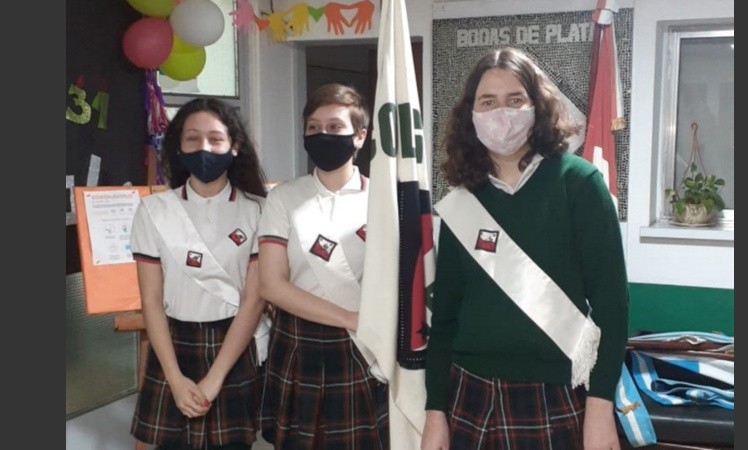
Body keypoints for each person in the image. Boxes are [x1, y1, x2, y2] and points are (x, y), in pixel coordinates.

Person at [421, 47, 629, 450]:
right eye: (488, 102)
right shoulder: (464, 199)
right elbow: (444, 317)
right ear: (470, 115)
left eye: (515, 99)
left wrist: (601, 408)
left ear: (538, 106)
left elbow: (612, 309)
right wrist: (435, 412)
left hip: (555, 395)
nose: (502, 112)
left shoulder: (579, 184)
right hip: (469, 394)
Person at [130, 98, 271, 450]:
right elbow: (150, 301)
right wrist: (175, 379)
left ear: (234, 146)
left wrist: (215, 378)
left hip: (234, 345)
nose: (203, 147)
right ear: (178, 147)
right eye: (192, 138)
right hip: (173, 346)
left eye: (215, 138)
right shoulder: (153, 210)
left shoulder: (259, 210)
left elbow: (254, 301)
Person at [257, 83, 389, 449]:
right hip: (301, 343)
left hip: (365, 348)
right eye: (313, 127)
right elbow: (271, 285)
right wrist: (351, 318)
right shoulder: (283, 198)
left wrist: (365, 324)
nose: (323, 135)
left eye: (335, 127)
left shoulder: (384, 199)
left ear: (360, 136)